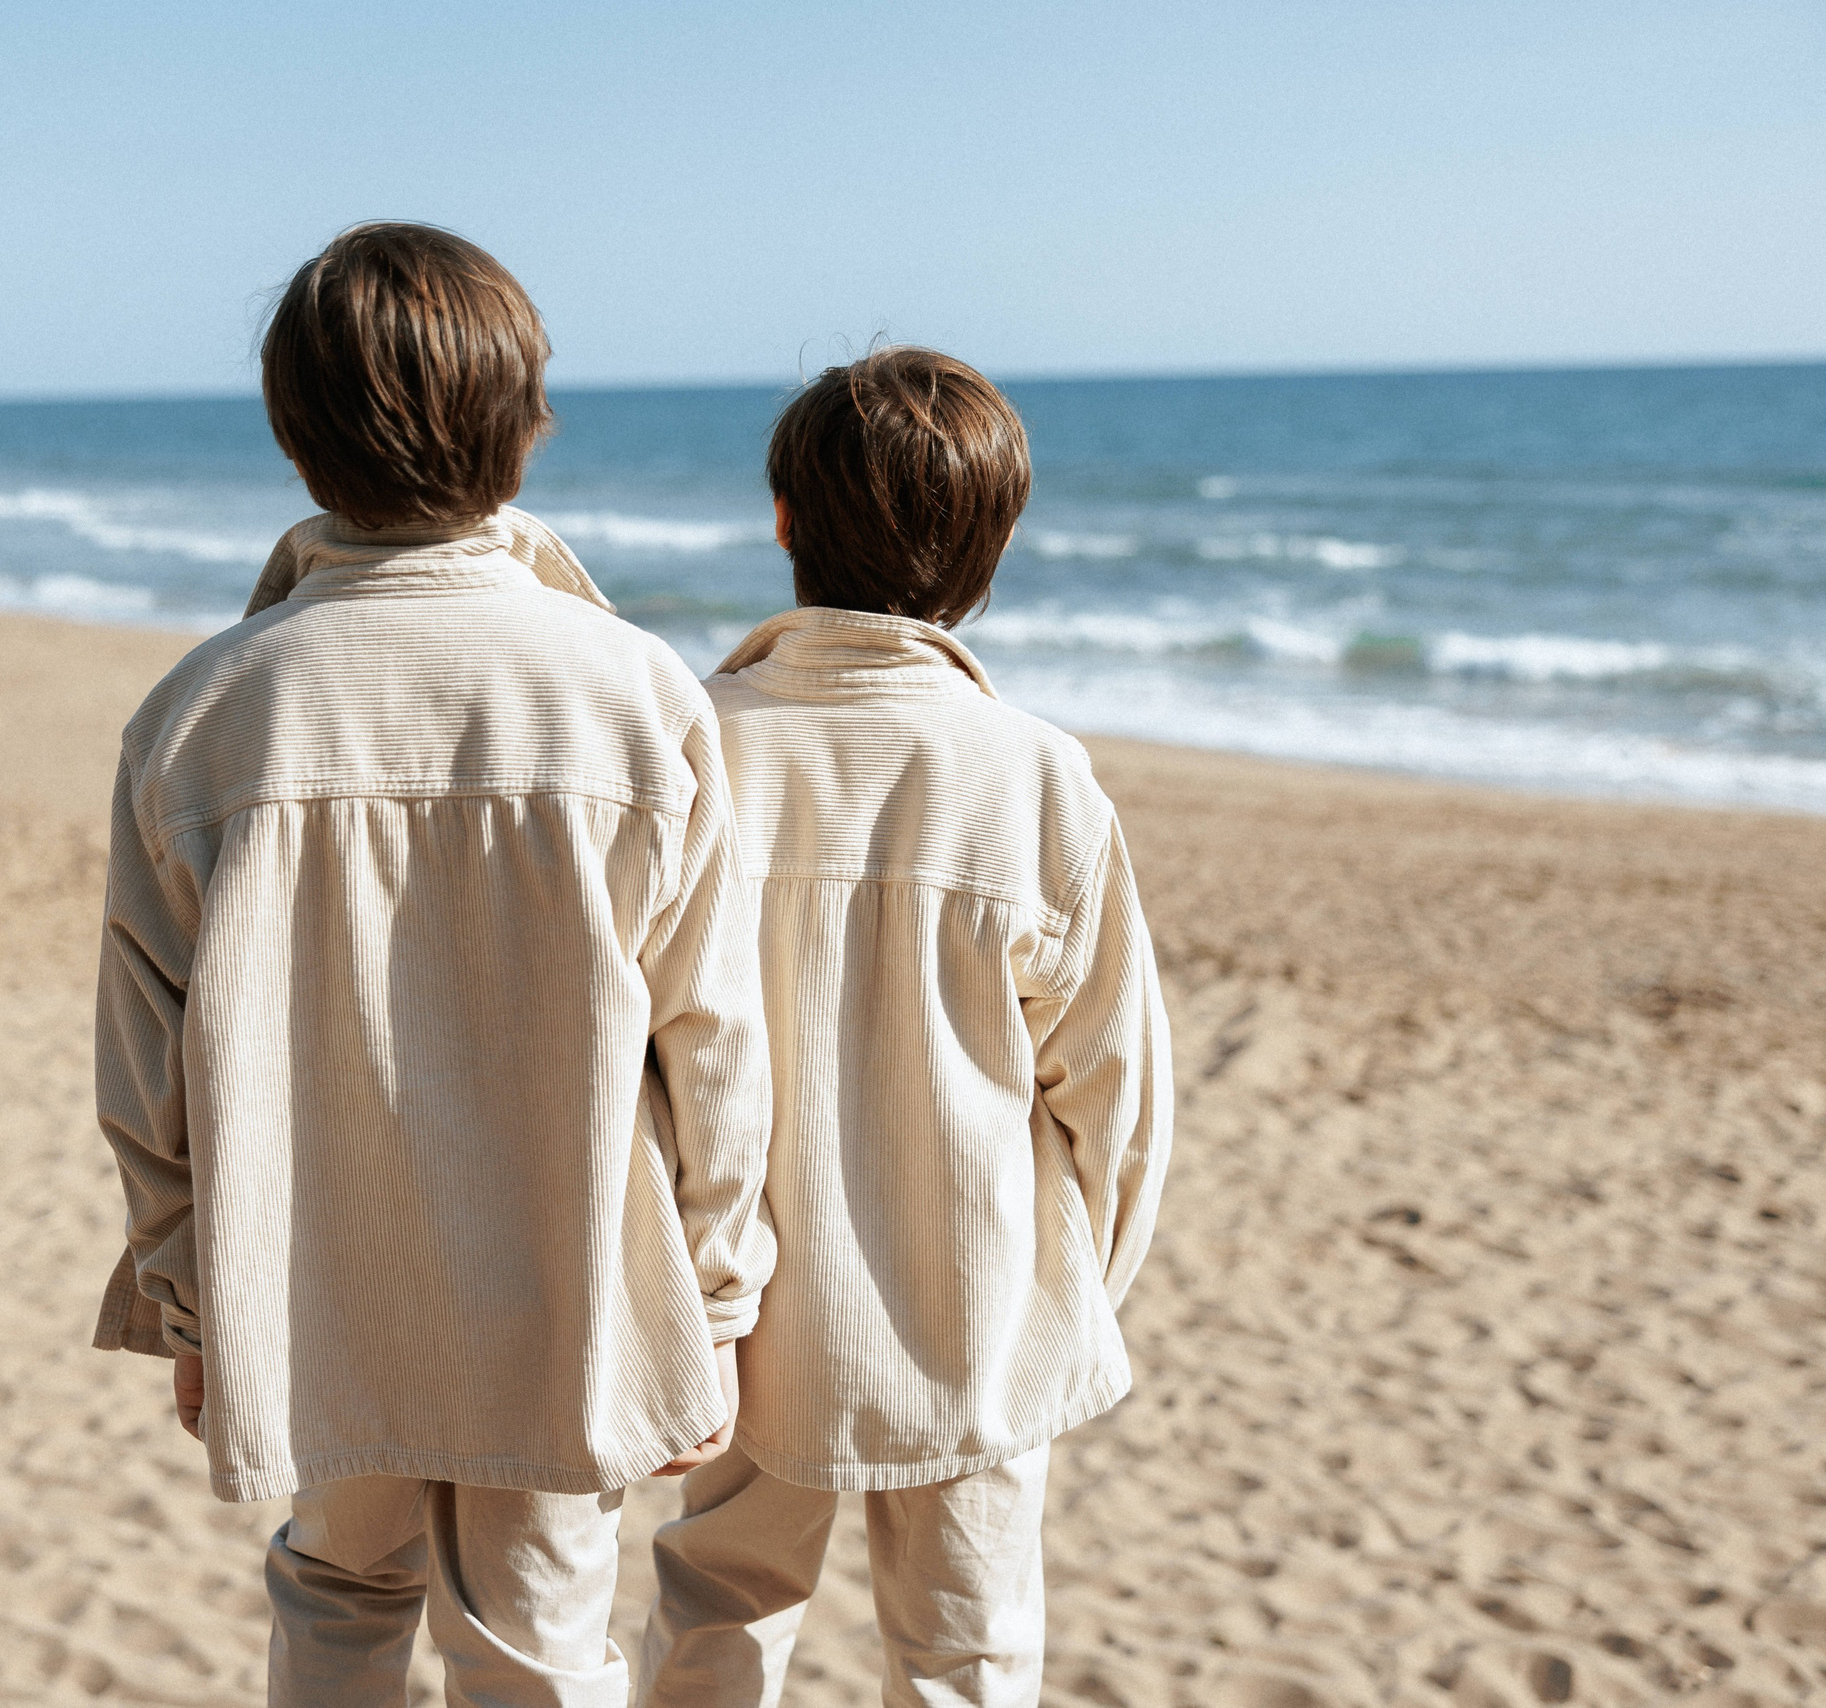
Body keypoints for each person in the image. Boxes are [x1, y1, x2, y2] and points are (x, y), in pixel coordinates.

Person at [91, 222, 775, 1706]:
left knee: (335, 1599)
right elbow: (712, 1039)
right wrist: (713, 1301)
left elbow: (145, 1067)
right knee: (540, 1641)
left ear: (292, 437)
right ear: (528, 427)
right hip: (563, 1275)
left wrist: (190, 1298)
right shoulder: (635, 695)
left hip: (314, 1274)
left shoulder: (201, 713)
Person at [639, 346, 1174, 1708]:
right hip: (973, 1293)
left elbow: (634, 1048)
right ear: (995, 550)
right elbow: (1115, 1085)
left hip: (743, 1301)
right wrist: (1076, 1290)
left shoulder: (700, 745)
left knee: (714, 1615)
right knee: (966, 1656)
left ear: (783, 521)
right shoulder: (1033, 773)